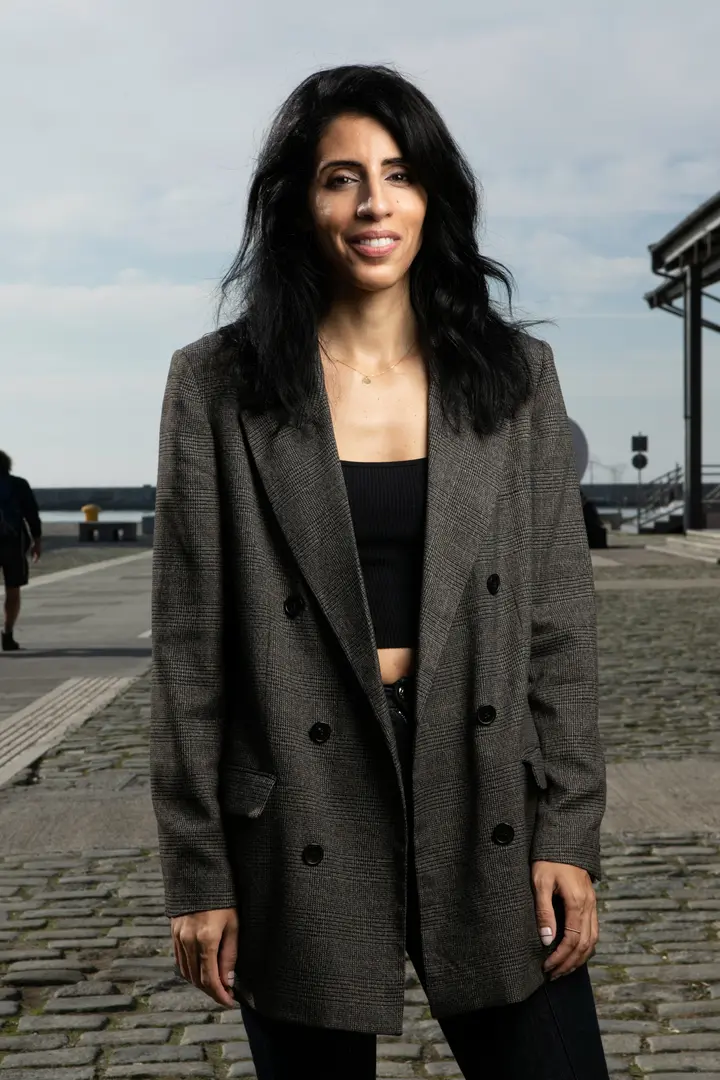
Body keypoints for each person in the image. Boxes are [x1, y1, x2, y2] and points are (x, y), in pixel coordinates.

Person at [150, 64, 608, 1079]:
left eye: (399, 174)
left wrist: (569, 832)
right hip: (300, 795)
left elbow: (559, 628)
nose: (373, 204)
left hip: (483, 781)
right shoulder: (216, 384)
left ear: (432, 196)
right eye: (340, 178)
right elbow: (190, 651)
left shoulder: (514, 378)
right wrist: (197, 874)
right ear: (297, 204)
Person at [0, 451, 42, 652]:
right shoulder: (19, 485)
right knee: (13, 590)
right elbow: (31, 513)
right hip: (13, 544)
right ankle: (7, 634)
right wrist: (37, 540)